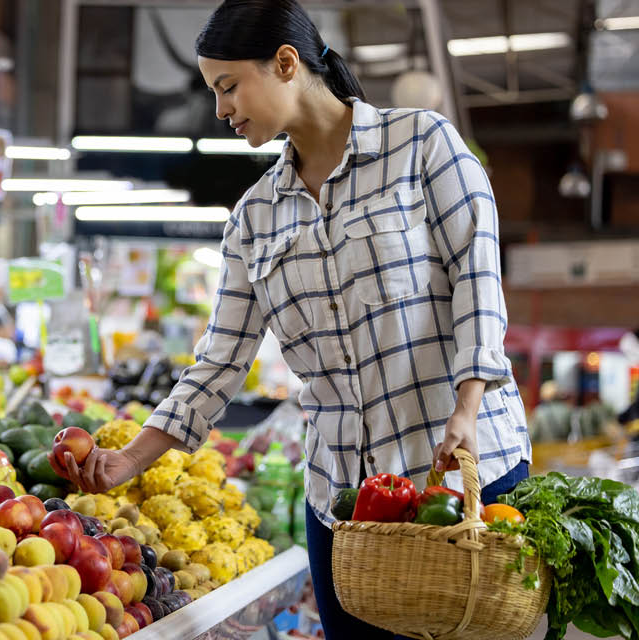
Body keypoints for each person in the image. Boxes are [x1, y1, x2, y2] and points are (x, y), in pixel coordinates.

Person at [57, 1, 531, 638]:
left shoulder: (422, 145)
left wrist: (468, 409)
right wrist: (126, 462)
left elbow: (479, 285)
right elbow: (219, 362)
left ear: (286, 63)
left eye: (228, 86)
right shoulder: (254, 217)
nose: (220, 109)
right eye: (213, 92)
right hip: (343, 500)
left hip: (459, 478)